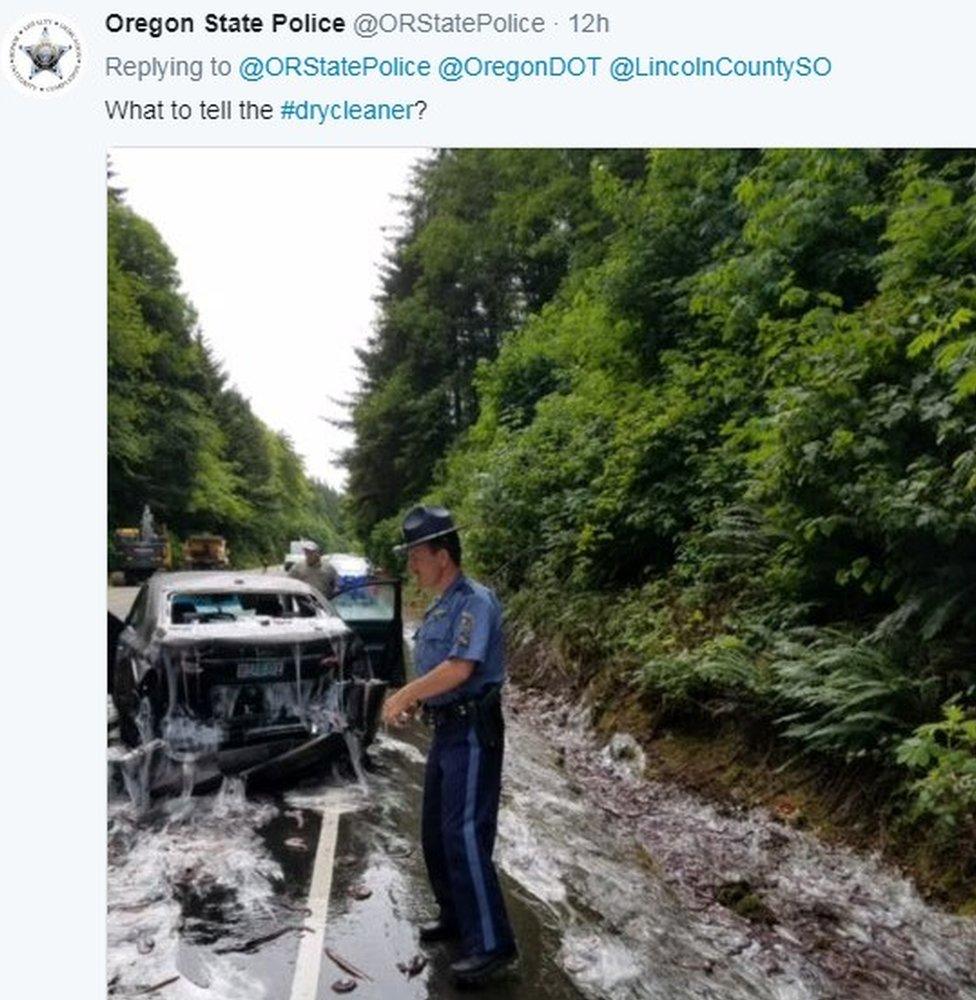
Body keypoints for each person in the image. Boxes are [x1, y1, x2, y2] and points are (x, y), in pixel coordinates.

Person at [381, 505, 517, 988]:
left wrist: (403, 694)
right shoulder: (439, 606)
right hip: (447, 728)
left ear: (441, 555)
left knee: (464, 834)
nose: (412, 565)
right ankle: (457, 918)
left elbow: (461, 669)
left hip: (474, 731)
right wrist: (420, 702)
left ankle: (493, 945)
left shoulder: (475, 601)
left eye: (416, 555)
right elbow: (441, 677)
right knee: (436, 832)